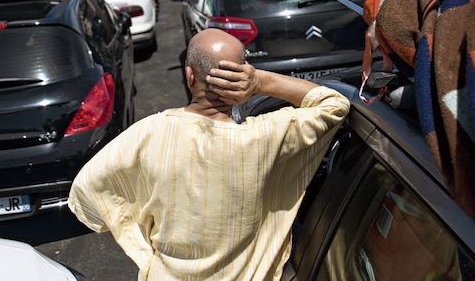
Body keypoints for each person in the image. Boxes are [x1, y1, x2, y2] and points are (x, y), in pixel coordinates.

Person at [68, 28, 350, 280]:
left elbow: (85, 191)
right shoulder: (268, 137)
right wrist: (261, 82)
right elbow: (333, 104)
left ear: (189, 76)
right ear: (242, 77)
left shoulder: (147, 134)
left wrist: (142, 242)